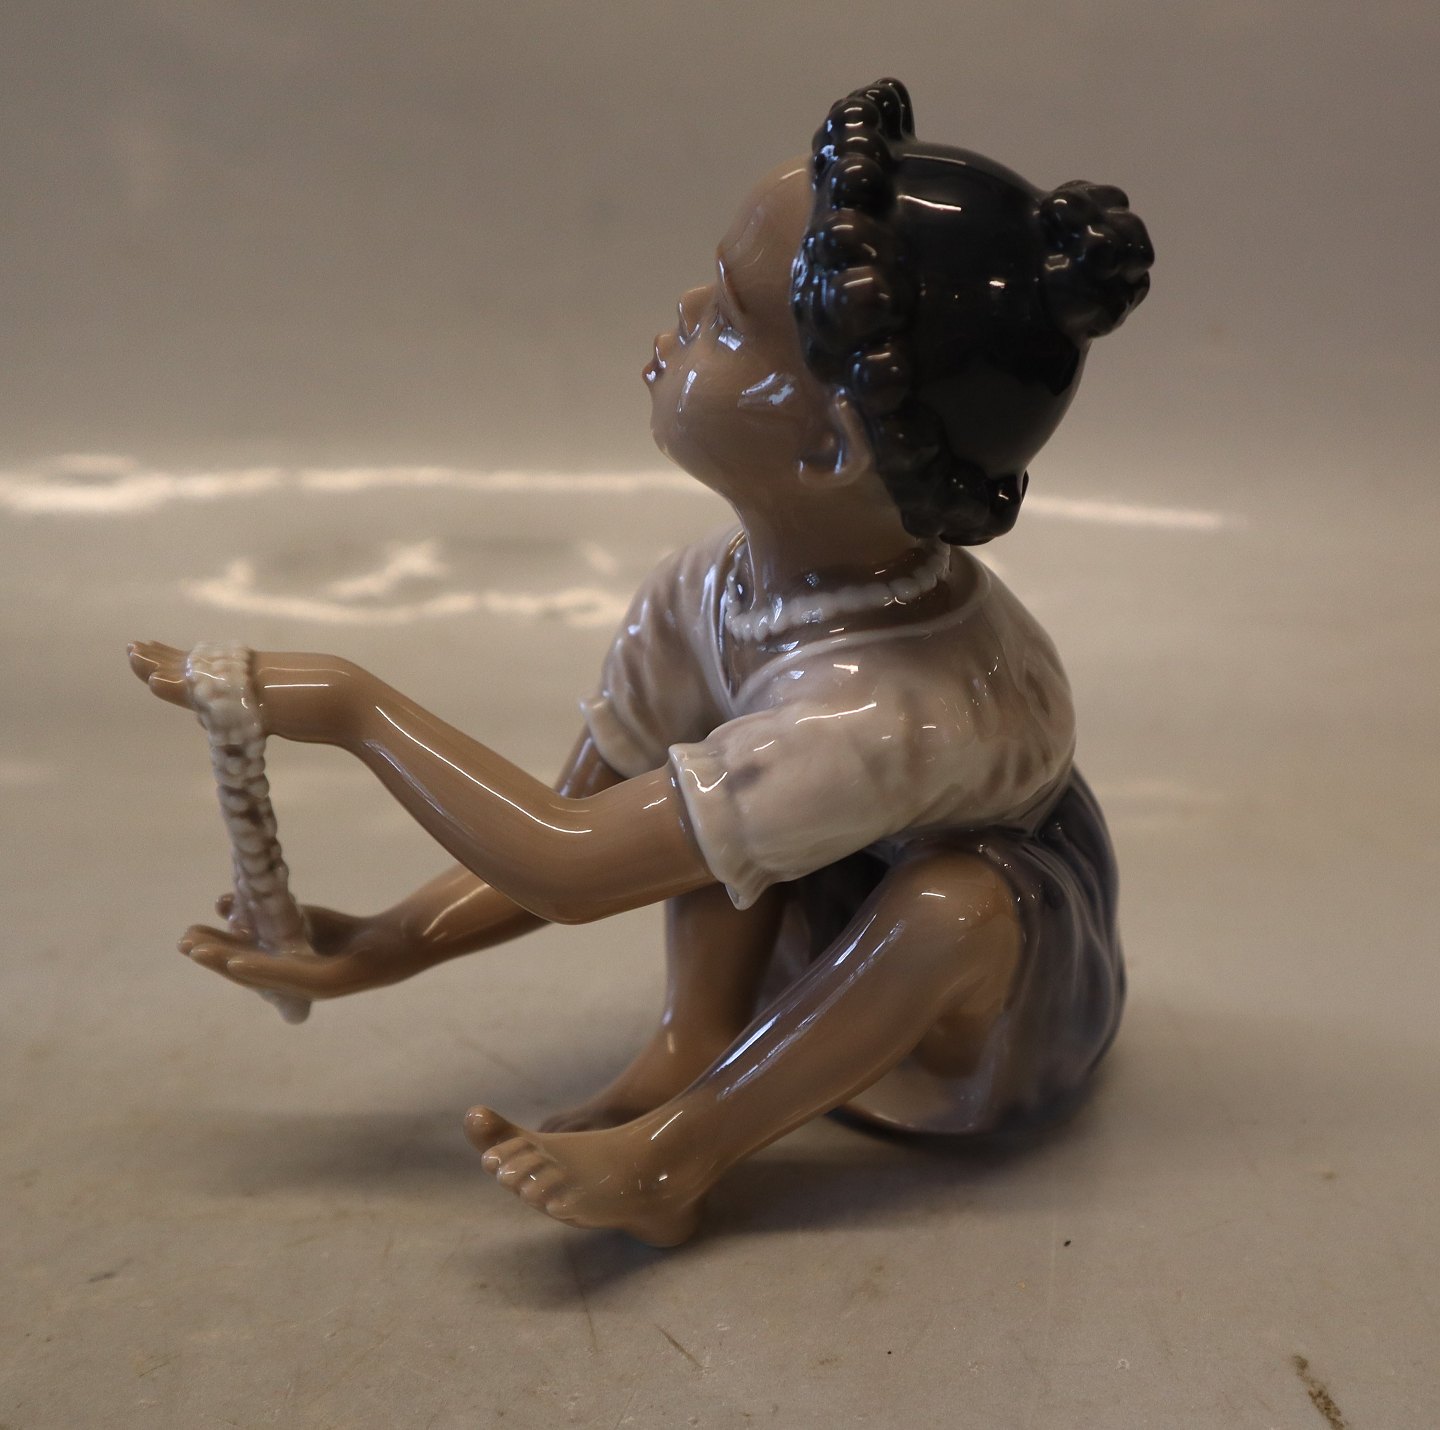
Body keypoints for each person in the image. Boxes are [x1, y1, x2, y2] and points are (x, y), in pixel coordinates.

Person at [129, 79, 1153, 1246]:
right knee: (705, 776)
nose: (684, 307)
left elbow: (567, 865)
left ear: (830, 448)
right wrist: (389, 938)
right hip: (844, 881)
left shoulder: (891, 714)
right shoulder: (711, 588)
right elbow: (584, 815)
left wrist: (357, 707)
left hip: (991, 1000)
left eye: (730, 317)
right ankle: (694, 1039)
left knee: (947, 902)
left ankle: (680, 1153)